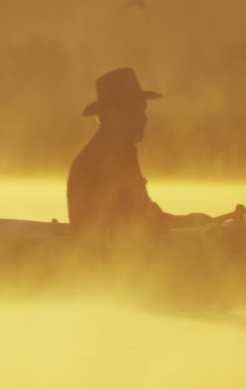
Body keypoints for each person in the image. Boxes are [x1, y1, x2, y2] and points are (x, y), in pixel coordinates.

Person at [67, 67, 209, 252]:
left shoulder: (117, 151)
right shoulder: (106, 158)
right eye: (138, 111)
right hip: (109, 253)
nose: (144, 118)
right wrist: (189, 224)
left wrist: (189, 222)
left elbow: (143, 214)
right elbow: (140, 219)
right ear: (115, 114)